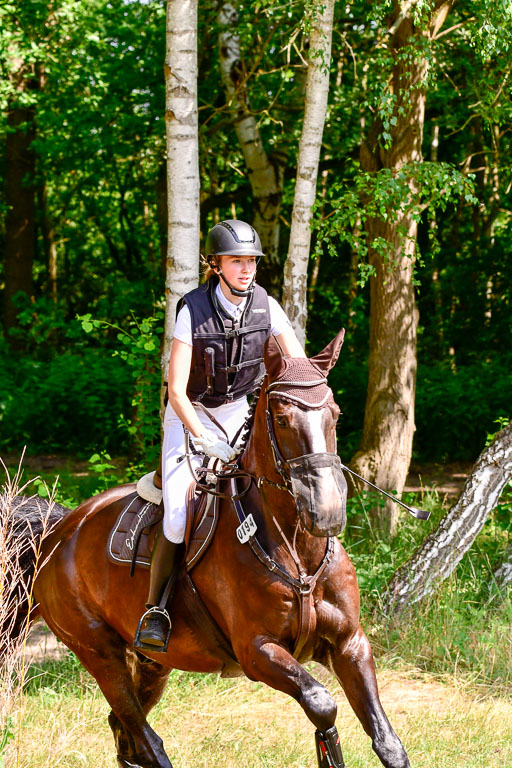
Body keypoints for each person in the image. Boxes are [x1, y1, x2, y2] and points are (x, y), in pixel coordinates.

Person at [135, 219, 305, 650]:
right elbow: (175, 391)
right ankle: (156, 609)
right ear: (216, 265)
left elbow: (297, 363)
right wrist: (203, 438)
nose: (246, 269)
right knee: (178, 512)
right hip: (188, 415)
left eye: (251, 261)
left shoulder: (268, 306)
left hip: (237, 412)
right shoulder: (192, 308)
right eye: (236, 261)